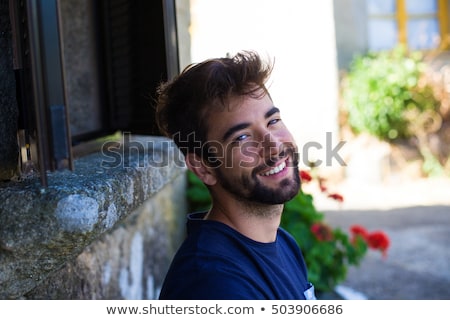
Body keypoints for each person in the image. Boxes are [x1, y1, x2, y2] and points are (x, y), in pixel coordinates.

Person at [155, 50, 316, 300]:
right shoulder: (212, 284)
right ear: (203, 168)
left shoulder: (282, 243)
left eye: (272, 121)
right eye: (242, 137)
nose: (273, 146)